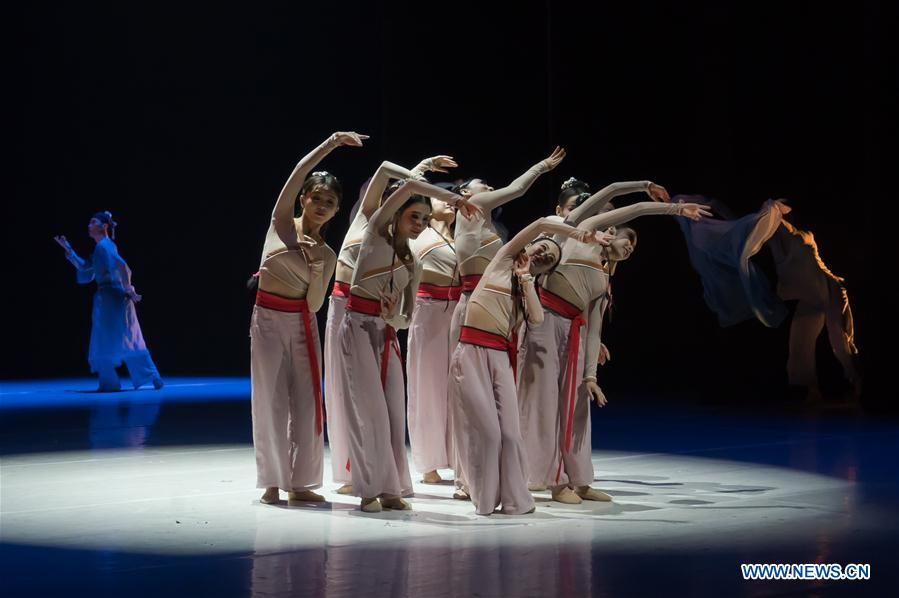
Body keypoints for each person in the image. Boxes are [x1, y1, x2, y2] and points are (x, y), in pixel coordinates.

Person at [449, 216, 611, 515]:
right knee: (489, 433)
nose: (545, 254)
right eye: (543, 247)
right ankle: (484, 500)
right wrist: (580, 235)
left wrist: (527, 280)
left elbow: (537, 320)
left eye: (551, 259)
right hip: (470, 353)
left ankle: (514, 499)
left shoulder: (527, 292)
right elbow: (537, 224)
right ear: (529, 247)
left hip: (499, 359)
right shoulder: (500, 261)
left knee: (510, 435)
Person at [250, 131, 366, 506]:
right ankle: (271, 481)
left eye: (330, 202)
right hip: (268, 318)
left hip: (301, 325)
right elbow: (299, 171)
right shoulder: (281, 223)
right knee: (269, 399)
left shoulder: (329, 254)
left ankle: (301, 483)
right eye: (316, 197)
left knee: (305, 402)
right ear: (303, 199)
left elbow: (315, 304)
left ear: (336, 210)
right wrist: (331, 143)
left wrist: (317, 271)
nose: (322, 204)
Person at [54, 211, 163, 392]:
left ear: (103, 226)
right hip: (108, 297)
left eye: (93, 222)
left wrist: (129, 288)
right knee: (118, 337)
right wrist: (69, 250)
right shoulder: (101, 248)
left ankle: (140, 377)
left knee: (121, 337)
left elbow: (122, 265)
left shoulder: (105, 246)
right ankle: (121, 380)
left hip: (114, 296)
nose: (89, 225)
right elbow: (86, 268)